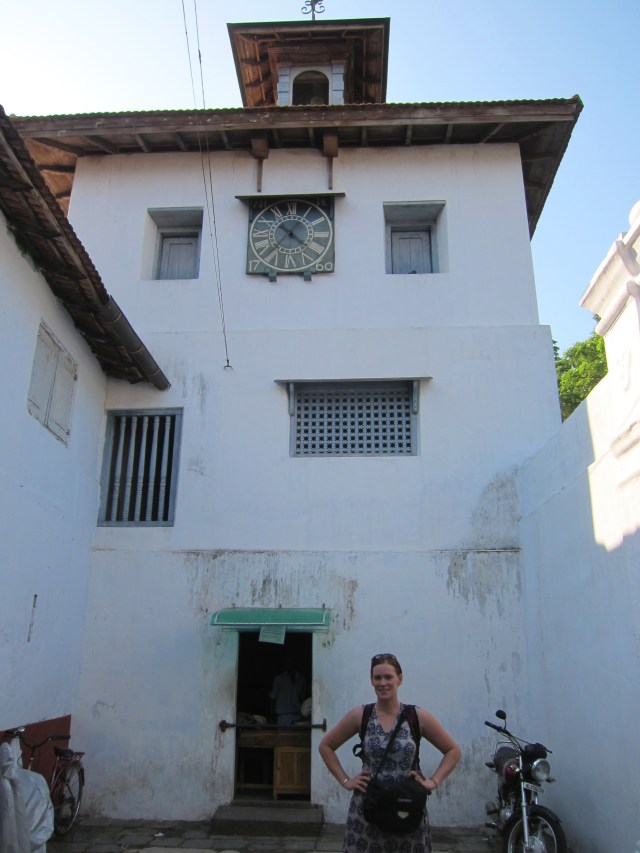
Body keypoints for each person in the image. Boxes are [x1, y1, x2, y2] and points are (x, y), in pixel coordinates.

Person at [318, 652, 461, 853]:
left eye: (388, 677)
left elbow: (452, 750)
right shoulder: (361, 715)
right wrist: (346, 781)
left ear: (399, 679)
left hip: (406, 809)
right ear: (371, 681)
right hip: (368, 811)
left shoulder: (416, 716)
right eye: (377, 678)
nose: (382, 683)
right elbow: (326, 746)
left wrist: (433, 781)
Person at [270, 656, 306, 725]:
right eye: (289, 662)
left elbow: (303, 699)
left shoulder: (301, 679)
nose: (291, 664)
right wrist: (271, 717)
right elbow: (273, 698)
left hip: (297, 715)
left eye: (293, 662)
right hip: (282, 715)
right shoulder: (279, 679)